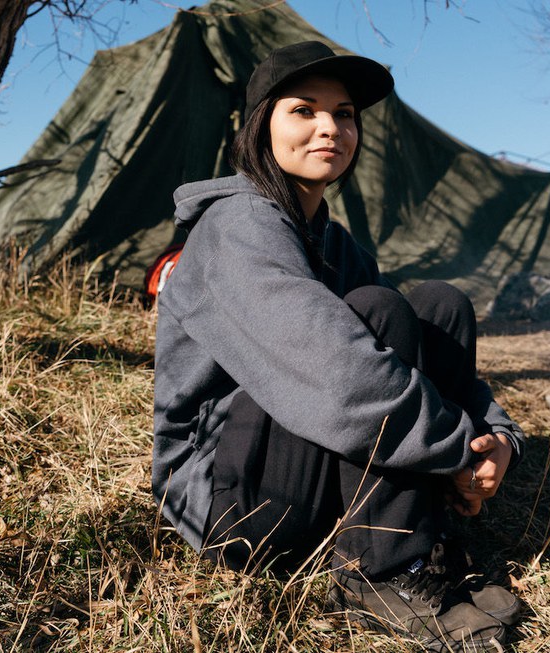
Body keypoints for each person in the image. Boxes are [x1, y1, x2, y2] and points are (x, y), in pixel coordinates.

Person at [152, 40, 526, 652]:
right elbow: (334, 373)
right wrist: (457, 449)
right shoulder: (235, 226)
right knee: (375, 314)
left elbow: (415, 350)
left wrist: (499, 440)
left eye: (345, 113)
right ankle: (381, 571)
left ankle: (425, 543)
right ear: (260, 127)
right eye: (304, 110)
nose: (330, 128)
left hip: (303, 471)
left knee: (438, 305)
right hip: (233, 501)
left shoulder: (337, 243)